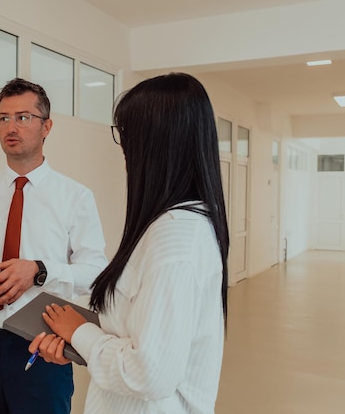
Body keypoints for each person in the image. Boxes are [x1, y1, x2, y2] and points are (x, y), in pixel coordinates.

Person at [29, 72, 230, 414]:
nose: (124, 150)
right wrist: (76, 340)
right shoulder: (168, 225)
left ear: (157, 144)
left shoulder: (176, 242)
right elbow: (138, 327)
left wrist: (81, 334)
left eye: (127, 135)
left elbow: (150, 373)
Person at [0, 77, 108, 414]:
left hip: (43, 342)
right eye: (3, 118)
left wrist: (38, 271)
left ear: (47, 126)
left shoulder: (75, 197)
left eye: (23, 117)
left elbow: (95, 272)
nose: (11, 127)